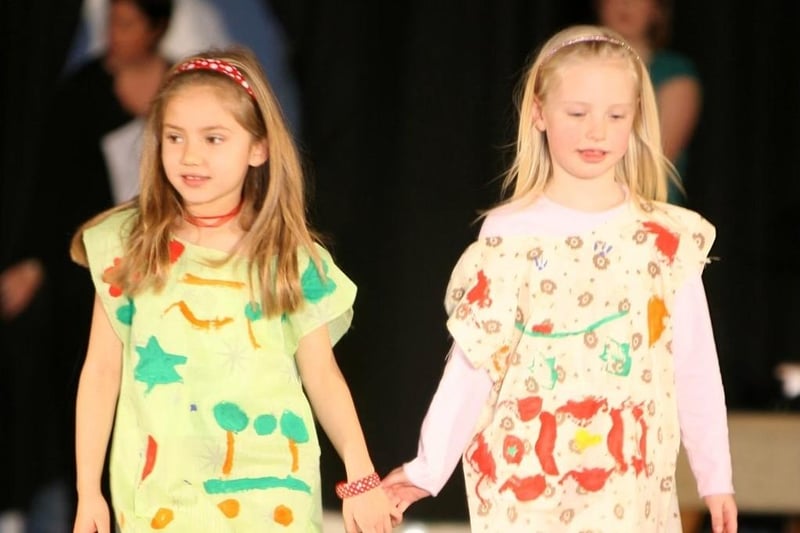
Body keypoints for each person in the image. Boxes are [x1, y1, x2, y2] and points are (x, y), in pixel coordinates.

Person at [382, 25, 737, 533]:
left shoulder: (662, 238)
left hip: (628, 491)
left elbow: (695, 366)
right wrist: (427, 468)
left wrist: (715, 478)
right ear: (539, 114)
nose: (597, 132)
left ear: (635, 120)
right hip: (529, 485)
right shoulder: (509, 233)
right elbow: (474, 364)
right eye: (577, 113)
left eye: (616, 115)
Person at [69, 47, 398, 532]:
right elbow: (100, 373)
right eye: (174, 137)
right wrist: (88, 491)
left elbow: (322, 375)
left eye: (214, 138)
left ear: (258, 147)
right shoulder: (130, 245)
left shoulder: (288, 256)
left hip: (270, 496)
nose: (191, 156)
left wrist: (362, 474)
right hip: (162, 499)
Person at [595, 0, 701, 206]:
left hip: (646, 207)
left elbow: (658, 155)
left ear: (656, 10)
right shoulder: (575, 69)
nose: (625, 5)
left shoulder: (674, 72)